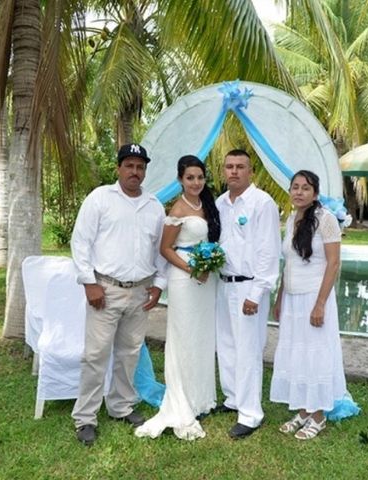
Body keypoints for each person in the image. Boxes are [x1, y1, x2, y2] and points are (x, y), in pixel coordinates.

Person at [70, 143, 167, 446]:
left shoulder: (154, 206)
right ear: (119, 168)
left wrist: (159, 285)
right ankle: (85, 417)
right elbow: (81, 241)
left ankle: (121, 406)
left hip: (140, 292)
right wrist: (89, 282)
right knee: (96, 355)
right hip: (106, 289)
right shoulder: (100, 198)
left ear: (145, 170)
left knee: (129, 354)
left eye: (140, 167)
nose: (135, 172)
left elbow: (161, 250)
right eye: (129, 166)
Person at [135, 155, 221, 440]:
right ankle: (182, 401)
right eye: (190, 178)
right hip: (185, 279)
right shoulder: (177, 208)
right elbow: (165, 248)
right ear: (180, 180)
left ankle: (201, 398)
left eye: (200, 177)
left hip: (206, 282)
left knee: (202, 337)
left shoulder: (207, 205)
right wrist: (192, 269)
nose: (196, 182)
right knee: (184, 338)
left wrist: (207, 266)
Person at [270, 170, 358, 440]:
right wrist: (280, 295)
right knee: (296, 353)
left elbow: (333, 263)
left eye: (305, 188)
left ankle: (318, 416)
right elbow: (290, 263)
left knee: (315, 353)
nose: (298, 192)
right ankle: (304, 410)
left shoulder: (326, 220)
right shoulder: (292, 218)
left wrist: (319, 304)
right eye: (294, 187)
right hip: (293, 299)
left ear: (315, 193)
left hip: (314, 297)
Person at [214, 149, 281, 439]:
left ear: (250, 171)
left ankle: (251, 413)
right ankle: (233, 399)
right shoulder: (220, 203)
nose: (234, 171)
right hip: (223, 283)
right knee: (227, 344)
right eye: (229, 166)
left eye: (240, 166)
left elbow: (269, 251)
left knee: (248, 349)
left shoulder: (261, 203)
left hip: (249, 286)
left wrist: (256, 292)